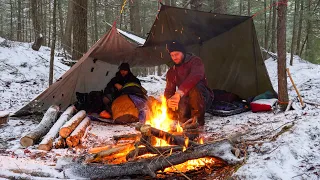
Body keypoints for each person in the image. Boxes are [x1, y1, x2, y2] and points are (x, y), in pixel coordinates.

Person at [164, 41, 214, 126]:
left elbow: (195, 76)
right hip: (185, 100)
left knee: (194, 86)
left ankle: (197, 121)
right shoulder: (172, 71)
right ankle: (185, 119)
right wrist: (169, 100)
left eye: (177, 54)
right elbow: (169, 91)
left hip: (202, 97)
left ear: (183, 52)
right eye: (172, 55)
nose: (174, 57)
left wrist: (179, 93)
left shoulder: (195, 61)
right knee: (164, 106)